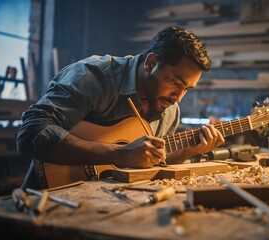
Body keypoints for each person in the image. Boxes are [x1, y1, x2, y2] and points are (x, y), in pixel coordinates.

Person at [16, 26, 225, 178]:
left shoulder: (171, 111)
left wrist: (189, 150)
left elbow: (151, 162)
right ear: (151, 63)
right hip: (52, 198)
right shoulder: (94, 77)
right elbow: (30, 133)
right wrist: (120, 153)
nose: (178, 97)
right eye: (175, 82)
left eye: (186, 89)